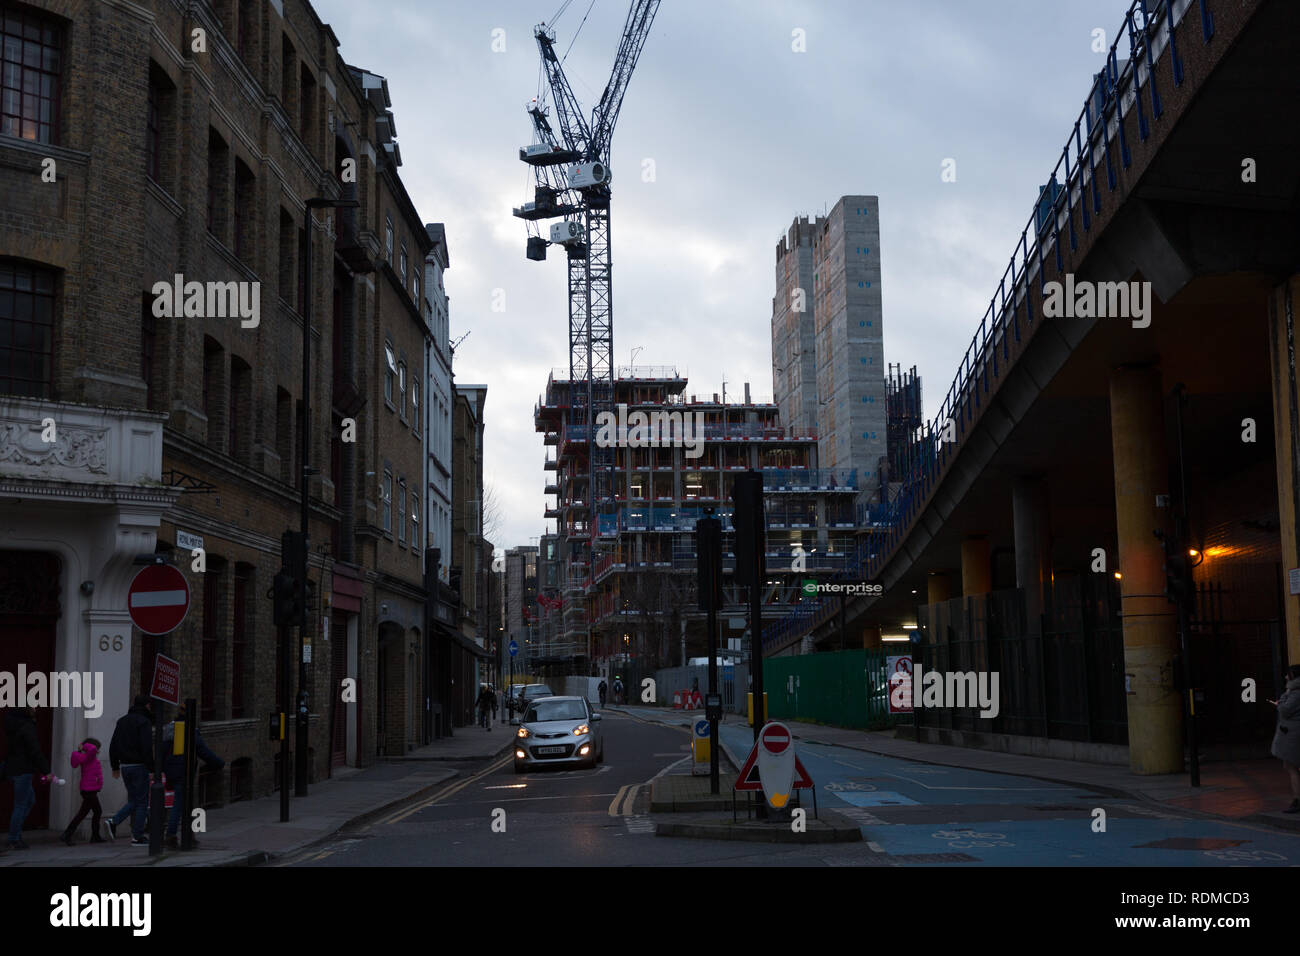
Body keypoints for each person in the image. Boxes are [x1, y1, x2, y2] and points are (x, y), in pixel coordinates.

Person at [162, 704, 224, 848]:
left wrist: (163, 769)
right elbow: (203, 751)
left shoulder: (169, 729)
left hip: (172, 770)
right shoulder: (190, 731)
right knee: (180, 803)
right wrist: (219, 763)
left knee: (184, 802)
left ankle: (187, 834)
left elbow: (162, 752)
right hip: (184, 771)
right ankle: (171, 835)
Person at [107, 695, 155, 846]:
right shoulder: (144, 722)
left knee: (134, 800)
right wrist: (151, 768)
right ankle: (137, 836)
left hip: (125, 767)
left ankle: (113, 822)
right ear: (147, 706)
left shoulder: (122, 721)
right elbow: (146, 747)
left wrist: (115, 766)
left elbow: (113, 744)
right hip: (139, 766)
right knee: (141, 802)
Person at [4, 706, 50, 850]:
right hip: (23, 770)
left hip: (12, 767)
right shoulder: (26, 725)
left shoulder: (11, 723)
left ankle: (15, 833)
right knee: (21, 804)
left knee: (29, 800)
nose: (36, 708)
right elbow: (34, 750)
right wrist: (46, 771)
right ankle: (13, 838)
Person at [61, 737, 106, 845]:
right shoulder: (87, 757)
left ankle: (94, 836)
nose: (98, 751)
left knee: (91, 812)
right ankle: (67, 834)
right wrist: (83, 746)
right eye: (97, 748)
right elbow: (92, 750)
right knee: (90, 812)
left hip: (90, 790)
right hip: (88, 790)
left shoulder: (86, 757)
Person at [1272, 664, 1300, 813]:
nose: (1285, 677)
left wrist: (1281, 699)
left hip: (1293, 735)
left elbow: (1285, 709)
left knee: (1291, 766)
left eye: (1287, 674)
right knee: (1289, 766)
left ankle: (1297, 800)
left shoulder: (1295, 693)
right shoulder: (1294, 692)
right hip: (1291, 734)